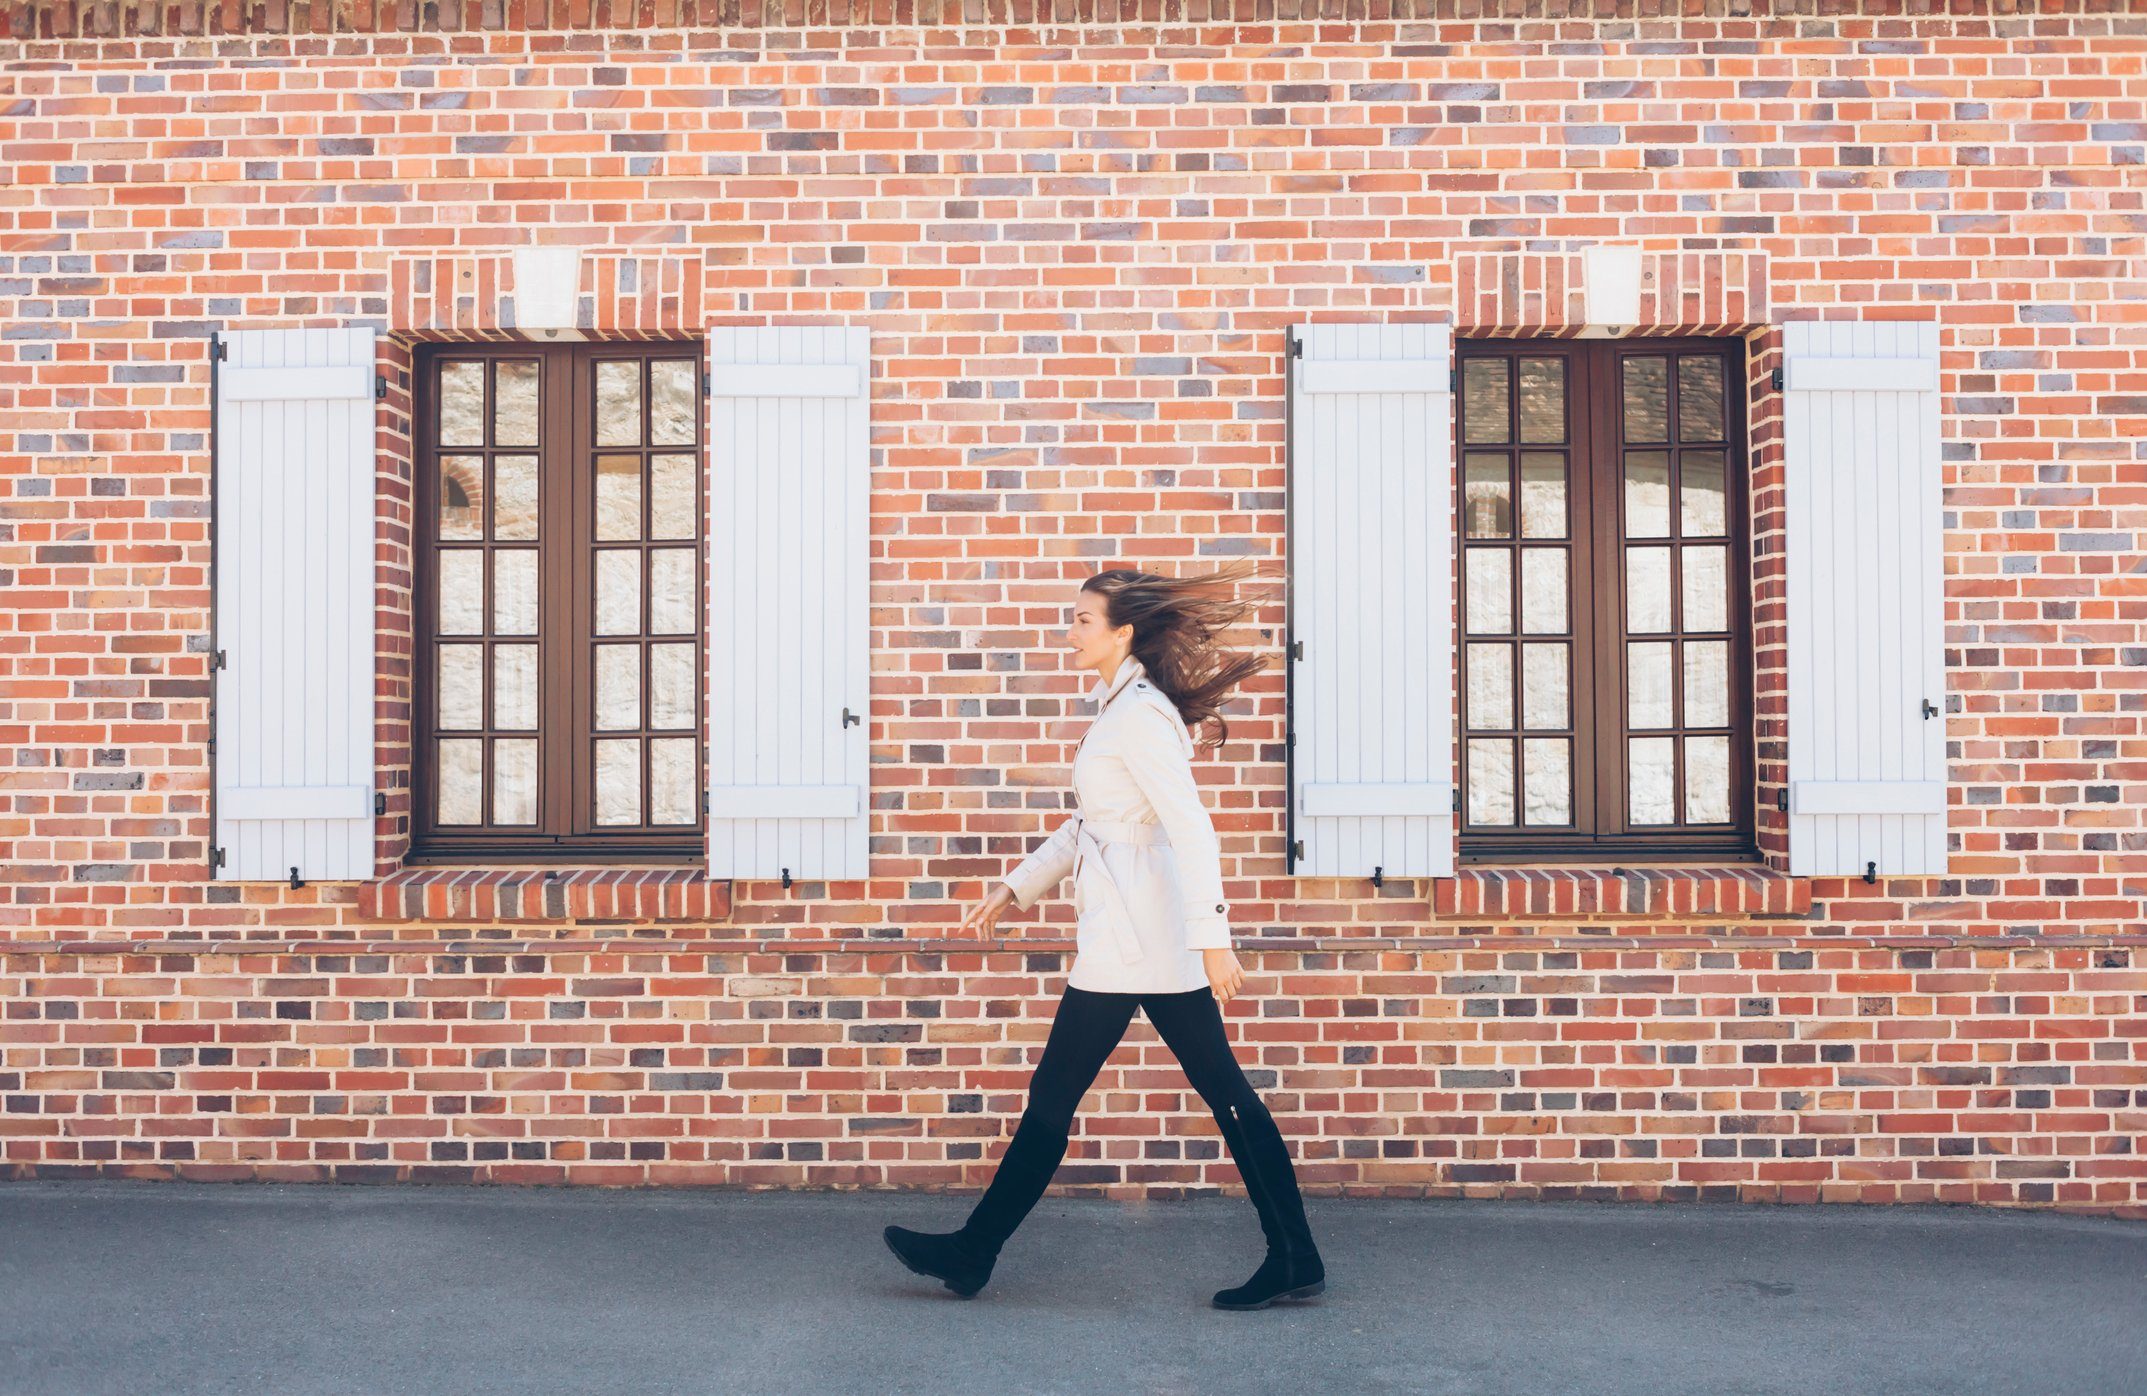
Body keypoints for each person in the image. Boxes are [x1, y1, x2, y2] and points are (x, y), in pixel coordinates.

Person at [883, 560, 1326, 1311]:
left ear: (1122, 633)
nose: (1070, 630)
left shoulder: (1138, 715)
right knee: (1205, 1090)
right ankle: (1292, 1254)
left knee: (1082, 1095)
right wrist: (1013, 886)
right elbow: (1091, 823)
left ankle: (973, 1251)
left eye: (1083, 619)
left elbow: (1189, 826)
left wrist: (1212, 937)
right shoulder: (1120, 707)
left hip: (1137, 939)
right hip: (1129, 932)